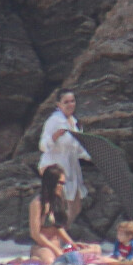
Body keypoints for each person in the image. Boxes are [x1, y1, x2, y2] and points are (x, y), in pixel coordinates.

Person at [29, 164, 102, 265]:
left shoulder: (57, 201)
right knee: (49, 261)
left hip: (58, 246)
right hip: (43, 247)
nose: (62, 186)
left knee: (96, 249)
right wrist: (55, 249)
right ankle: (25, 261)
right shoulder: (37, 203)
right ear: (51, 182)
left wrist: (72, 243)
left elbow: (58, 228)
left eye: (63, 183)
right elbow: (35, 234)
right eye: (60, 183)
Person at [38, 88, 91, 226]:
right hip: (54, 168)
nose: (70, 104)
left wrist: (94, 157)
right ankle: (48, 235)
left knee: (75, 207)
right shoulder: (54, 121)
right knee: (57, 206)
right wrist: (54, 138)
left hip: (71, 168)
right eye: (66, 102)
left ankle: (61, 236)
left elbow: (78, 149)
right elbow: (42, 145)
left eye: (72, 101)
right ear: (58, 104)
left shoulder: (74, 123)